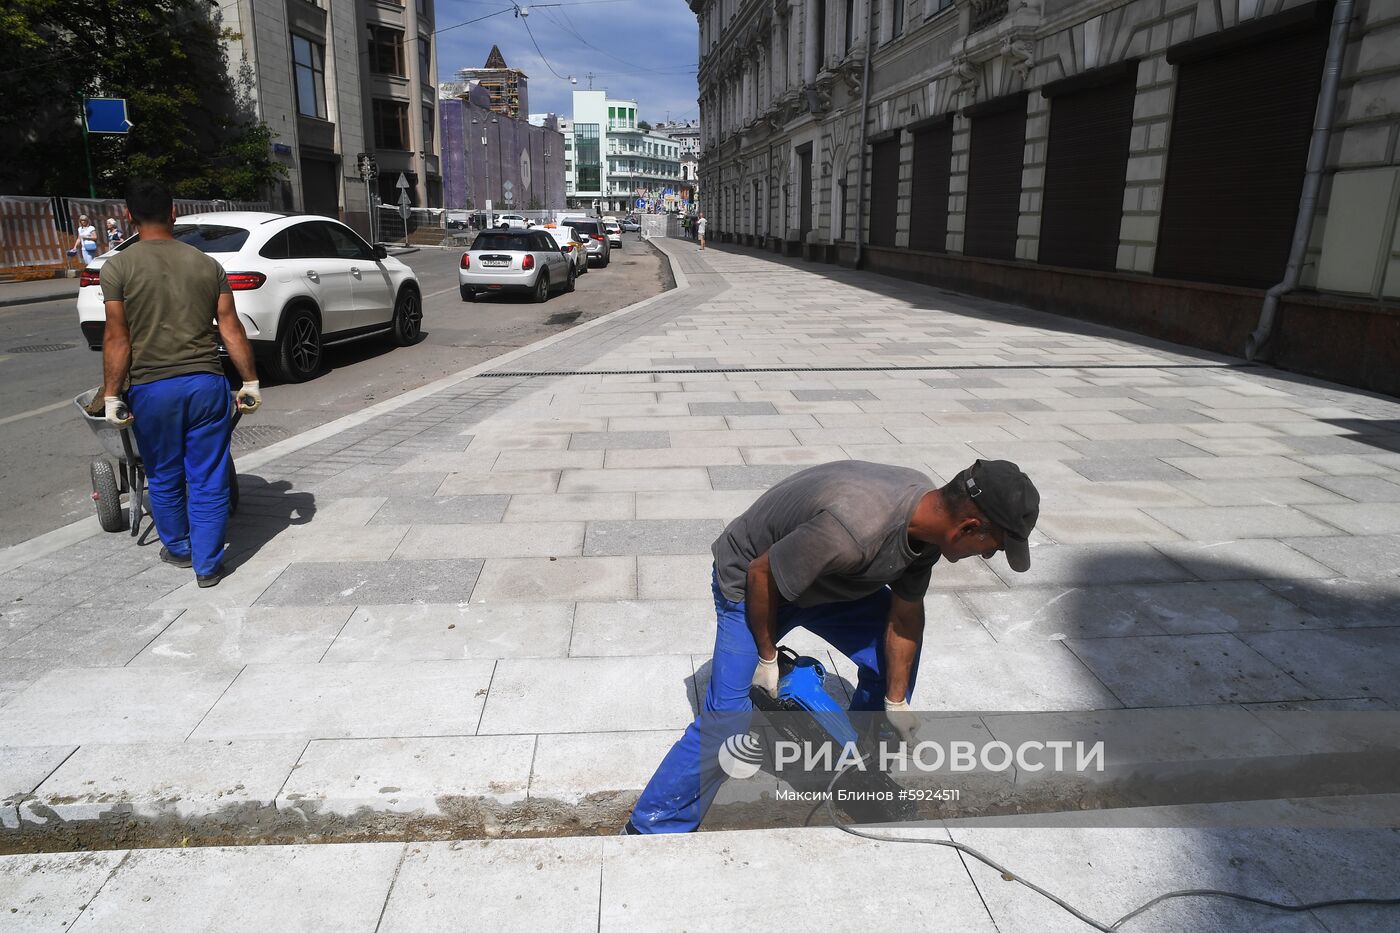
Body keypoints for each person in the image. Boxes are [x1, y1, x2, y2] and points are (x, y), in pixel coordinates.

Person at [623, 458, 1040, 834]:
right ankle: (650, 828)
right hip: (755, 583)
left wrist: (895, 701)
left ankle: (856, 776)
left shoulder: (928, 525)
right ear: (968, 528)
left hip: (830, 580)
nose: (987, 556)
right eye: (993, 547)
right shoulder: (853, 529)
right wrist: (766, 656)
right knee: (727, 723)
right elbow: (762, 574)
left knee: (893, 665)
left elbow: (905, 614)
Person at [100, 179, 262, 588]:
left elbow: (117, 336)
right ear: (174, 214)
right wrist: (250, 381)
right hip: (207, 385)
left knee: (164, 472)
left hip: (153, 390)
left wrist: (111, 395)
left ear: (128, 217)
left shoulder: (117, 267)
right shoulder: (207, 265)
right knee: (207, 476)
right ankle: (208, 566)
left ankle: (179, 548)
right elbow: (231, 327)